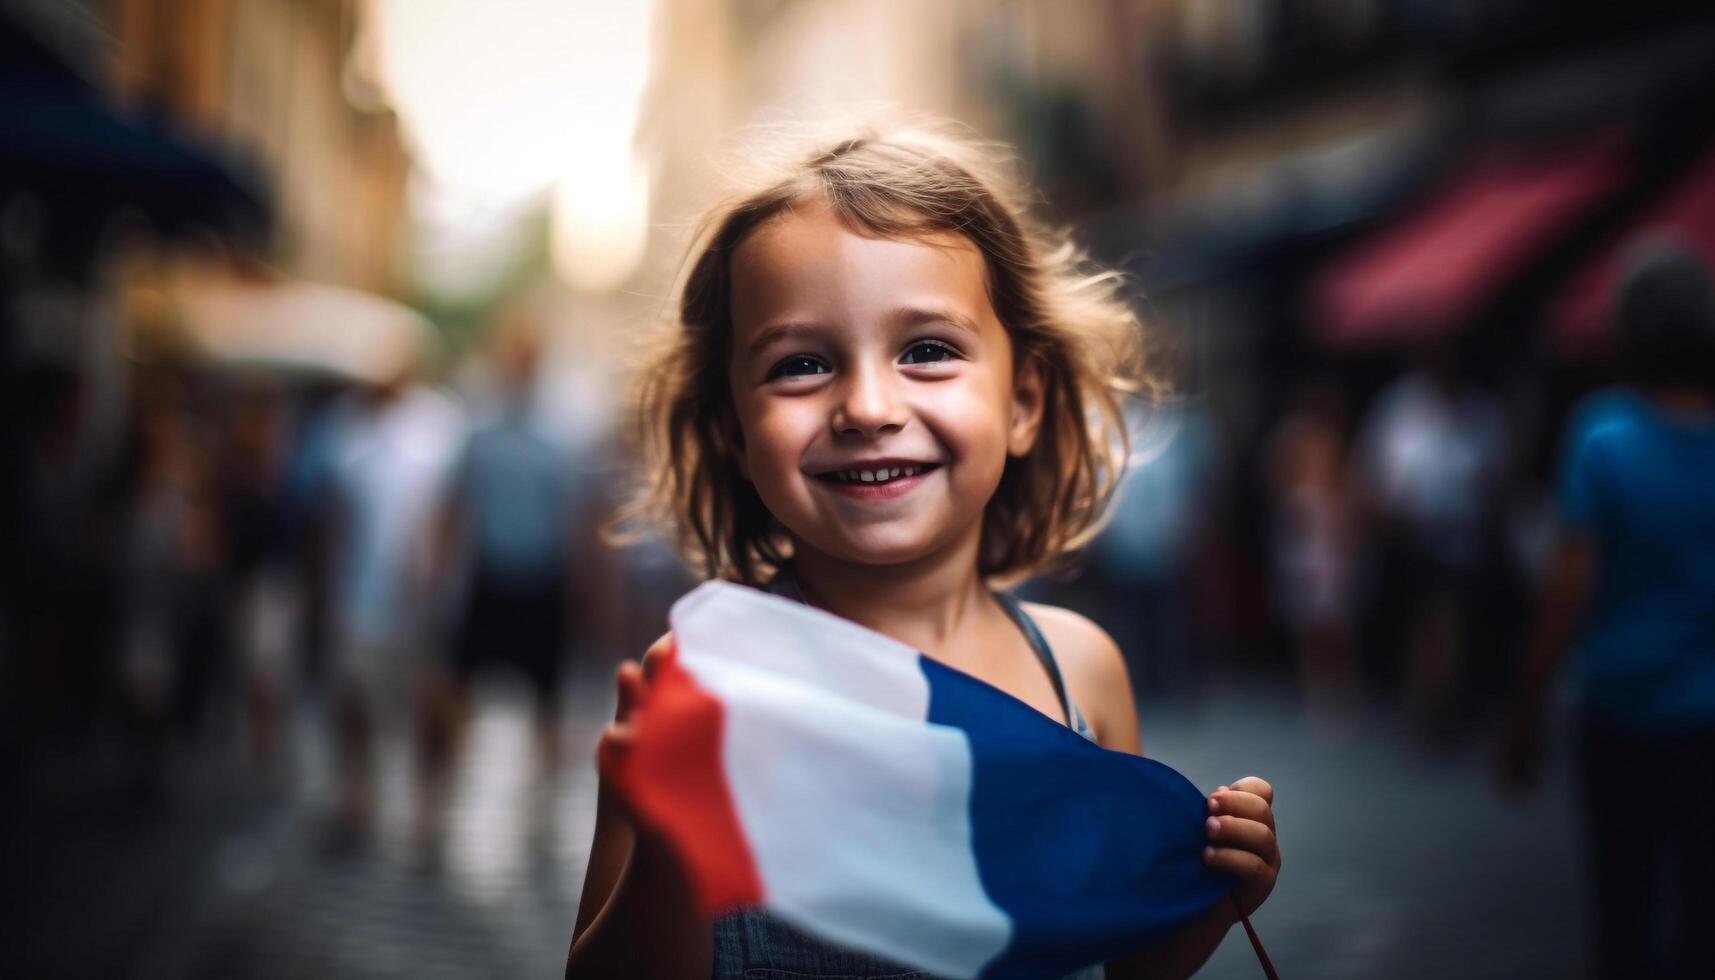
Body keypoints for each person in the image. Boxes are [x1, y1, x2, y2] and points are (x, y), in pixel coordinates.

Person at [565, 121, 1280, 980]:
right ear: (732, 429)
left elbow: (1114, 960)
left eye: (928, 351)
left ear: (1022, 400)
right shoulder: (700, 682)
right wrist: (675, 845)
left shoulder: (1079, 673)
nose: (867, 406)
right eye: (800, 365)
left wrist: (1205, 898)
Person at [1500, 241, 1715, 980]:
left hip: (1623, 716)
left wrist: (1524, 715)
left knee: (1622, 910)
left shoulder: (1603, 437)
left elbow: (1566, 594)